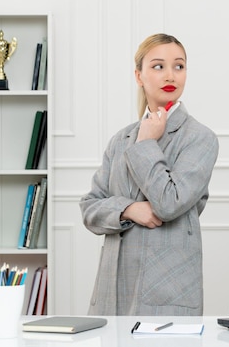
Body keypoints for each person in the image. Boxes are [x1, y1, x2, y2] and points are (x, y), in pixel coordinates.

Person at [80, 33, 219, 316]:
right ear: (139, 75)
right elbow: (90, 207)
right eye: (158, 66)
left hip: (166, 297)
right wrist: (129, 209)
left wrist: (146, 144)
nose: (171, 75)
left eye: (179, 66)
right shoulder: (121, 139)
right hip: (112, 296)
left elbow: (170, 202)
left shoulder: (200, 138)